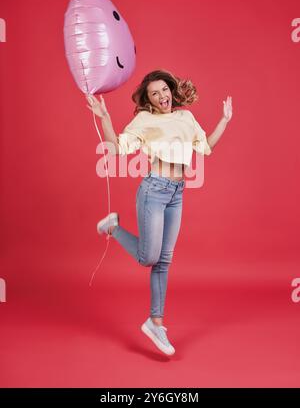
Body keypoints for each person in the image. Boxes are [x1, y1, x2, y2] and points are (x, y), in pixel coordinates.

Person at [86, 69, 233, 356]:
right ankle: (113, 227)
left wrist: (225, 120)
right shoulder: (145, 121)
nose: (162, 96)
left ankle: (156, 322)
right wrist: (104, 117)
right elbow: (117, 149)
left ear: (171, 90)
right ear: (149, 100)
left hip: (178, 194)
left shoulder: (186, 118)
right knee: (148, 257)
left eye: (164, 90)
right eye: (154, 94)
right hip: (154, 190)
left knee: (164, 260)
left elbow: (205, 148)